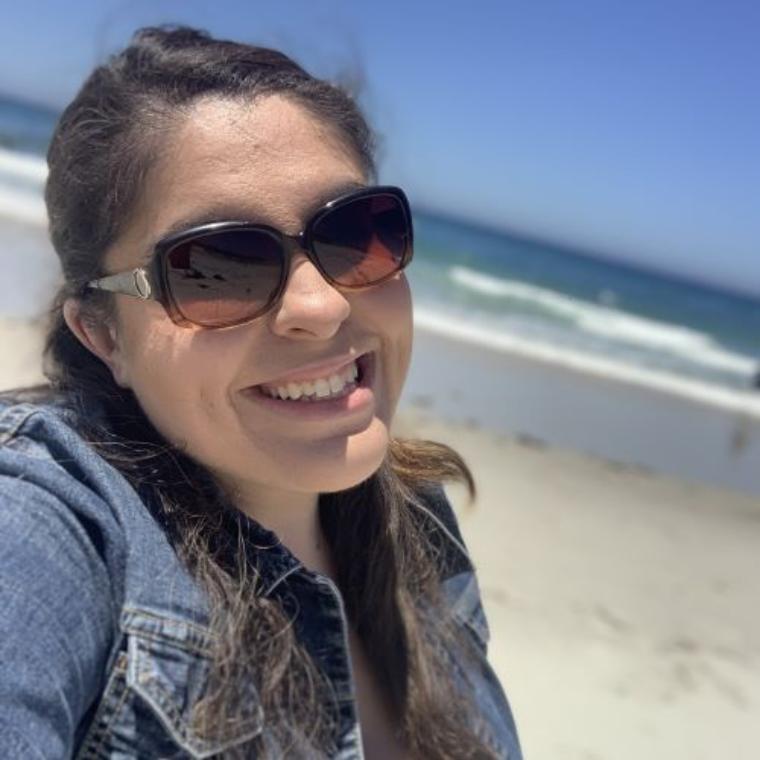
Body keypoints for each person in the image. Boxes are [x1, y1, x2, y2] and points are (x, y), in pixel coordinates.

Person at [0, 25, 522, 760]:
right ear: (103, 334)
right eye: (218, 266)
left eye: (353, 234)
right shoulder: (53, 525)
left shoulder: (417, 527)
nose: (324, 307)